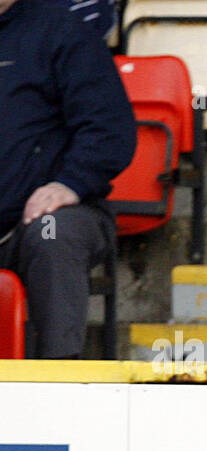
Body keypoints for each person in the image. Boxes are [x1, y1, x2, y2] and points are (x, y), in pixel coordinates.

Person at [0, 0, 135, 358]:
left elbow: (110, 129)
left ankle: (58, 378)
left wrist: (69, 183)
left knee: (53, 233)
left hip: (37, 222)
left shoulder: (62, 31)